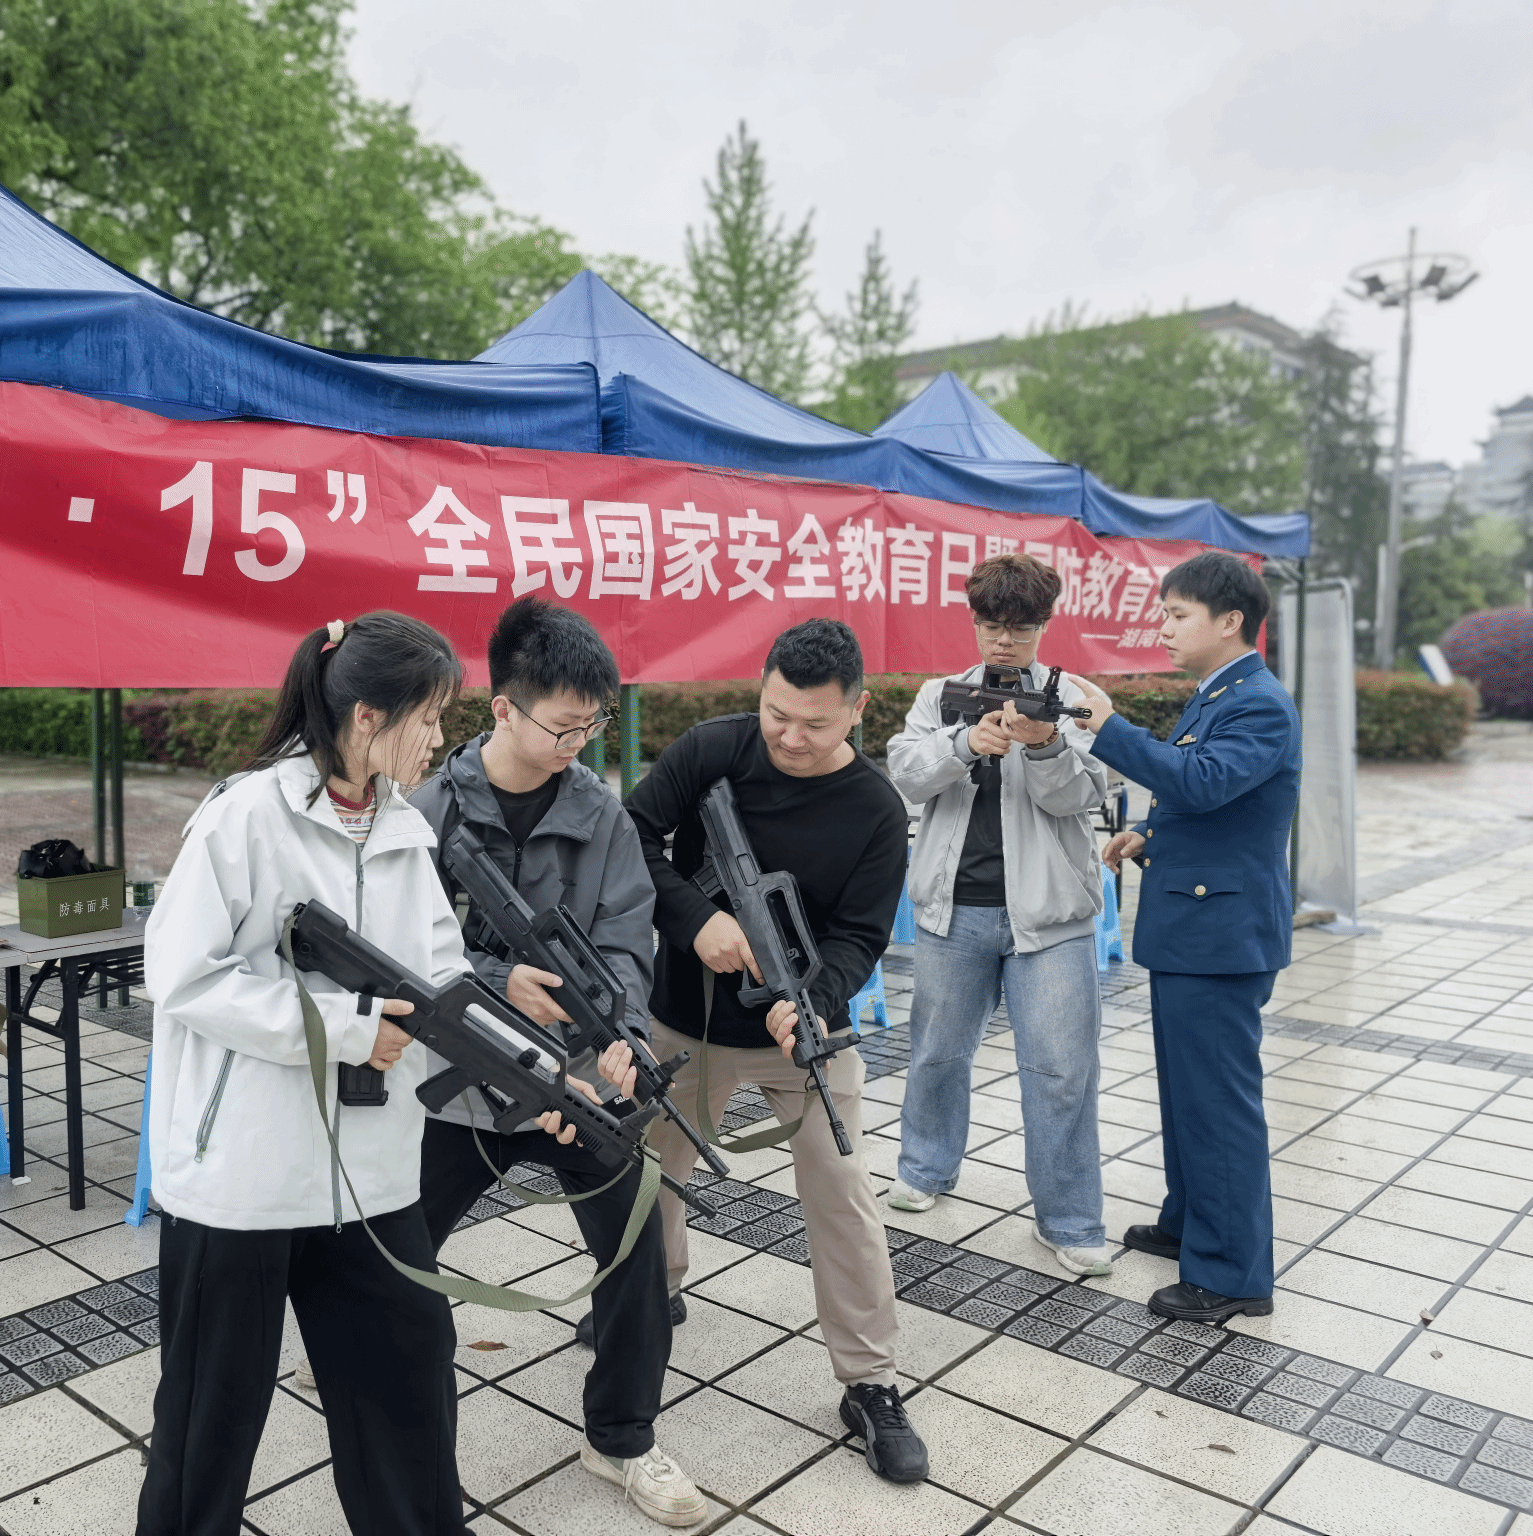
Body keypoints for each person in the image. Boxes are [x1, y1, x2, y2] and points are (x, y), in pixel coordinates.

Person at [135, 611, 474, 1536]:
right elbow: (181, 975)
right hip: (241, 1182)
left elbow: (444, 981)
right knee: (207, 1425)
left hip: (371, 1178)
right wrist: (345, 1028)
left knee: (408, 1395)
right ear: (368, 718)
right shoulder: (245, 816)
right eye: (429, 717)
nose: (439, 737)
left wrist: (539, 1075)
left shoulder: (404, 830)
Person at [408, 596, 706, 1528]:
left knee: (637, 1252)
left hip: (574, 1083)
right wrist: (498, 979)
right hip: (457, 1089)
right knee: (388, 1255)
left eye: (592, 726)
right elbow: (402, 951)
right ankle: (378, 1395)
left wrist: (618, 1032)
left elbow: (625, 940)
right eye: (563, 725)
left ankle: (622, 1437)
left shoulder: (600, 814)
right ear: (503, 707)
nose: (579, 743)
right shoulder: (425, 810)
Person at [625, 618, 930, 1485]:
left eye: (816, 724)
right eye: (777, 715)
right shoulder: (711, 749)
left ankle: (870, 1380)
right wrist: (697, 919)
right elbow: (631, 835)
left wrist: (813, 1002)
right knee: (651, 1177)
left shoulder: (876, 810)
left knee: (843, 1190)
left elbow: (860, 937)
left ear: (858, 710)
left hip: (800, 1034)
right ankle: (652, 1298)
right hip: (682, 1021)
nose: (791, 738)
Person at [1072, 552, 1300, 1325]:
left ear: (1230, 621)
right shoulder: (1221, 694)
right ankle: (1190, 1223)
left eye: (1177, 615)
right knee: (1186, 1094)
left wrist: (1109, 728)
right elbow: (1207, 793)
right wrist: (1150, 835)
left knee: (1218, 1106)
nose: (1163, 629)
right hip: (1197, 929)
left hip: (1221, 938)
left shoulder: (1258, 703)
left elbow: (1201, 781)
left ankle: (1232, 1273)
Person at [886, 553, 1113, 1276]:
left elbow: (1083, 795)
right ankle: (924, 1170)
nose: (1005, 641)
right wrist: (963, 743)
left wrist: (1045, 747)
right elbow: (905, 773)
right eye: (992, 625)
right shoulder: (940, 695)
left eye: (1020, 627)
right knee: (937, 1052)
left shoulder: (1076, 699)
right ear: (975, 623)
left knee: (1062, 1071)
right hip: (954, 908)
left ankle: (1071, 1221)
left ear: (1044, 625)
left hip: (1051, 918)